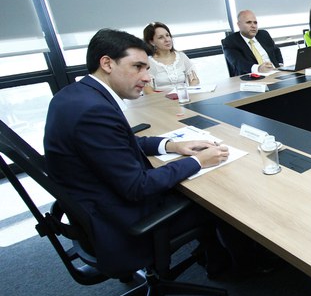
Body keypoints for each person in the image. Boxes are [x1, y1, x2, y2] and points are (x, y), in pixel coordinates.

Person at [44, 29, 264, 280]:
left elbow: (120, 143)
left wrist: (172, 145)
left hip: (96, 204)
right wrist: (197, 161)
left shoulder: (75, 96)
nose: (147, 77)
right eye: (138, 67)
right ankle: (242, 269)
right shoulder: (93, 112)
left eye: (147, 68)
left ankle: (214, 259)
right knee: (219, 200)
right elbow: (137, 186)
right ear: (106, 63)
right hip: (122, 223)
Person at [221, 10, 283, 75]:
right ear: (239, 25)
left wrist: (280, 65)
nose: (253, 26)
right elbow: (238, 63)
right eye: (249, 22)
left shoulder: (264, 34)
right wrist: (259, 68)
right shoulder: (231, 41)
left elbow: (276, 50)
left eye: (255, 23)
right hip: (253, 77)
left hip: (276, 73)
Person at [142, 22, 199, 89]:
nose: (167, 40)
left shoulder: (181, 56)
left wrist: (189, 91)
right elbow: (147, 90)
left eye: (167, 35)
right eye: (161, 37)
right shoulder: (148, 62)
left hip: (183, 97)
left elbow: (195, 80)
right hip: (161, 99)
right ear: (152, 42)